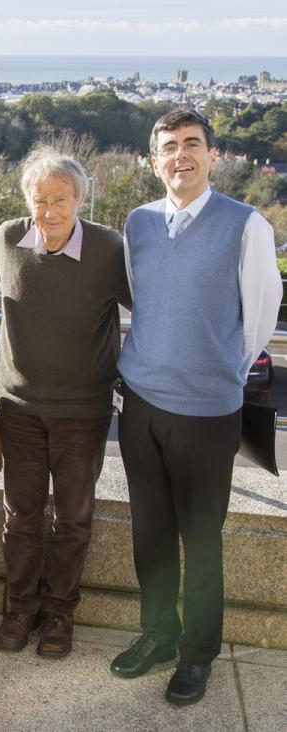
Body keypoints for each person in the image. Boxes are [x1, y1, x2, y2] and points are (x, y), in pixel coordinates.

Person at [110, 109, 281, 705]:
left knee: (201, 539)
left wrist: (219, 375)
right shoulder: (137, 223)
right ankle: (157, 634)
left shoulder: (246, 225)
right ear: (152, 160)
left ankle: (198, 655)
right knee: (150, 531)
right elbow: (141, 300)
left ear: (213, 155)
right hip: (140, 402)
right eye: (167, 147)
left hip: (207, 413)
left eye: (192, 145)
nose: (180, 156)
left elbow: (259, 319)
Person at [0, 147, 130, 658]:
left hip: (84, 412)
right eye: (41, 200)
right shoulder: (9, 238)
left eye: (62, 199)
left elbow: (154, 308)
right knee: (20, 514)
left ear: (81, 198)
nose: (51, 211)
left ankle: (60, 611)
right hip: (17, 407)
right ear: (28, 201)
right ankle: (20, 606)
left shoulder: (110, 249)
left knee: (74, 517)